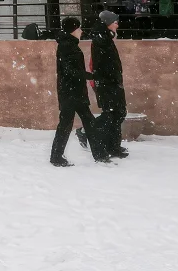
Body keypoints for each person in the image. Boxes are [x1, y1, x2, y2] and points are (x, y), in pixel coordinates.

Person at [50, 17, 109, 167]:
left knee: (88, 122)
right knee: (68, 124)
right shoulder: (66, 46)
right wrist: (91, 76)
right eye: (79, 28)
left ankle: (99, 155)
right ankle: (56, 157)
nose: (81, 31)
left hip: (74, 92)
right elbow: (70, 71)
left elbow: (72, 70)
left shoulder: (69, 44)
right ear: (73, 30)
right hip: (70, 92)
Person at [91, 10, 128, 159]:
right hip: (107, 83)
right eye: (115, 22)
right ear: (107, 24)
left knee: (117, 113)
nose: (117, 25)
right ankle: (92, 135)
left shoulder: (105, 37)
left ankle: (113, 146)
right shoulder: (101, 39)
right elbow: (103, 64)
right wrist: (110, 79)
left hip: (111, 82)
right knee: (112, 114)